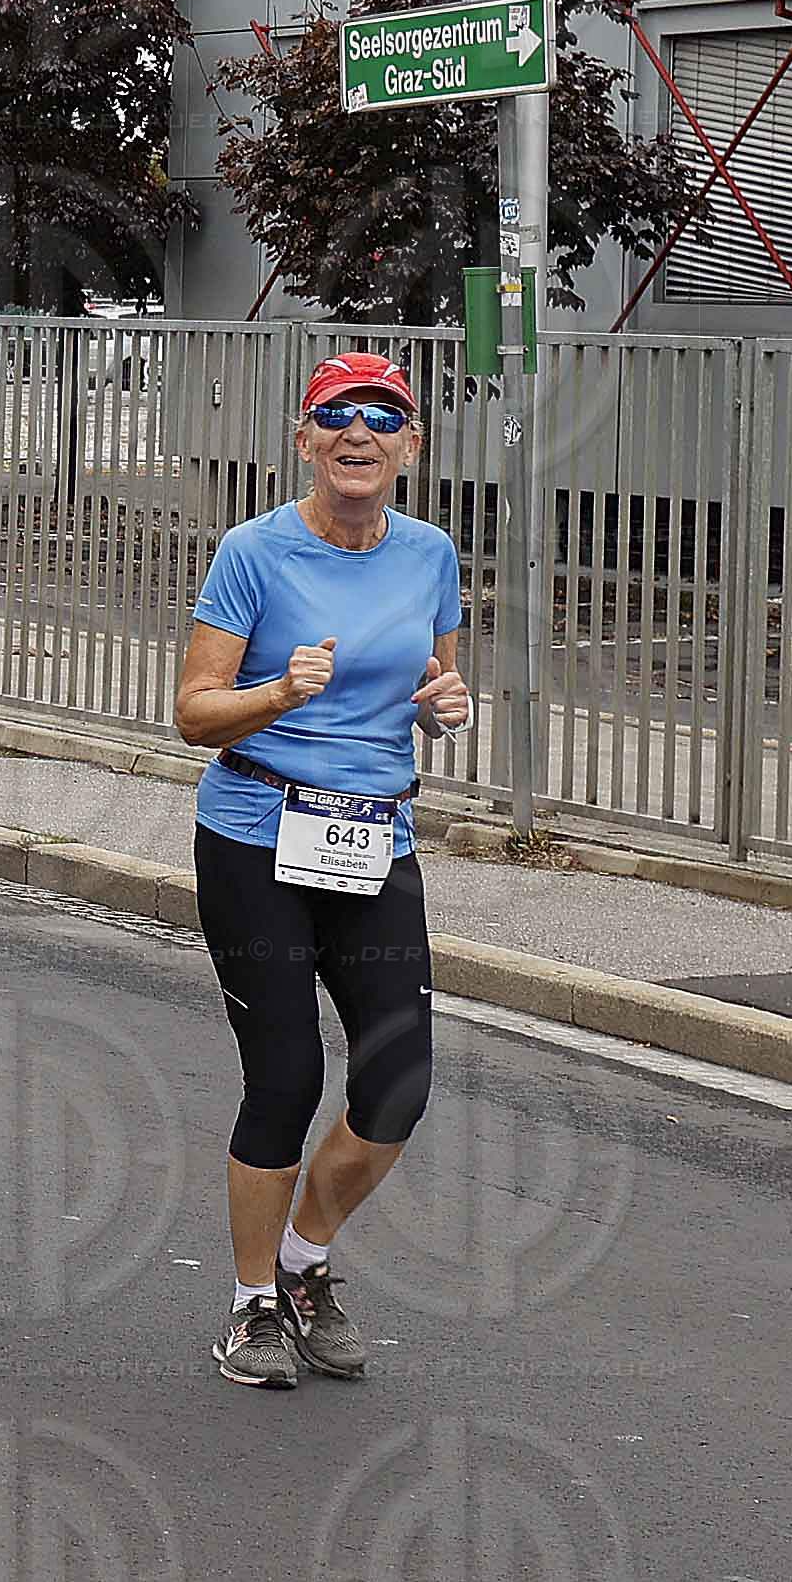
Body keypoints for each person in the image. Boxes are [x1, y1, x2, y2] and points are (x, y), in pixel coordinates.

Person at [175, 352, 471, 1391]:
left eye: (383, 416)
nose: (360, 432)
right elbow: (192, 712)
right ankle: (253, 1303)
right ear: (304, 440)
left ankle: (304, 1260)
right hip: (259, 830)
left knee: (399, 1081)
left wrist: (443, 707)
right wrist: (275, 694)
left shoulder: (431, 554)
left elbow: (431, 679)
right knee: (289, 1075)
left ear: (410, 445)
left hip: (373, 837)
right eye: (336, 415)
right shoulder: (255, 552)